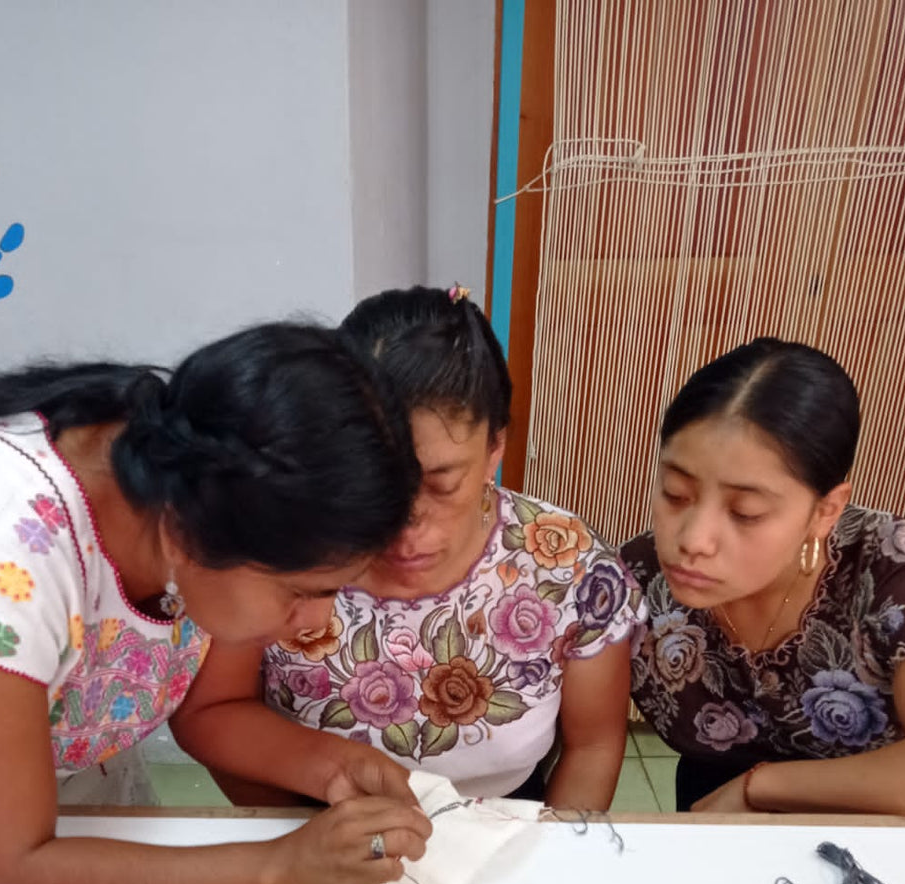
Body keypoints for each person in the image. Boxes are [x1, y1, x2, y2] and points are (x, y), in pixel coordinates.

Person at [0, 324, 431, 884]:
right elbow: (4, 880)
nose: (316, 619)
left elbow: (209, 709)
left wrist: (331, 767)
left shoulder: (197, 499)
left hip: (70, 809)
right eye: (302, 592)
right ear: (194, 535)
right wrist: (279, 870)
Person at [180, 286, 643, 807]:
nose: (404, 526)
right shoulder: (282, 542)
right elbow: (212, 711)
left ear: (496, 447)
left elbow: (594, 745)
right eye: (377, 479)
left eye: (443, 482)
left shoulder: (566, 565)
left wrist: (550, 867)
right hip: (317, 819)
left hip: (506, 829)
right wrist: (299, 837)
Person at [622, 338, 905, 815]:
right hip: (709, 807)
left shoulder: (894, 579)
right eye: (676, 493)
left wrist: (757, 788)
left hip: (873, 819)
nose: (694, 539)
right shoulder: (631, 583)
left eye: (746, 512)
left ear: (826, 511)